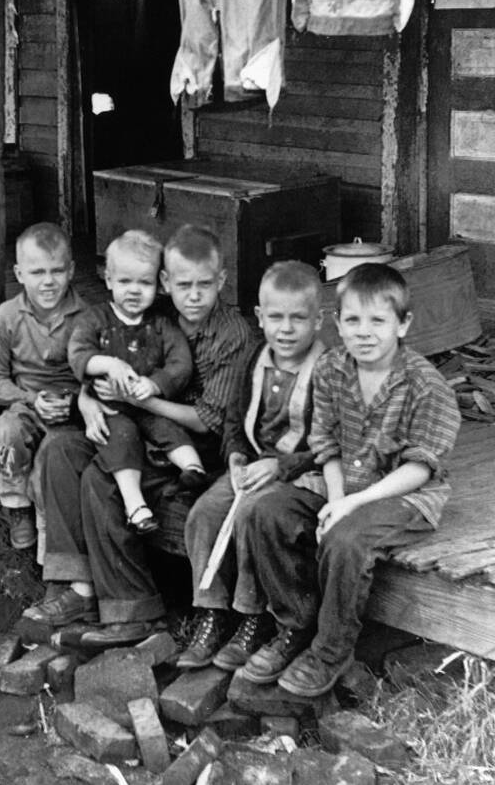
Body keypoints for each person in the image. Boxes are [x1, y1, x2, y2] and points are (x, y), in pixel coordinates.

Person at [239, 263, 460, 696]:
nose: (364, 332)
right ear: (337, 323)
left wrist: (352, 507)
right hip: (344, 483)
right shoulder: (332, 369)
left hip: (404, 494)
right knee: (266, 511)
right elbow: (327, 446)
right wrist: (336, 498)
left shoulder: (425, 386)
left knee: (345, 540)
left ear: (403, 324)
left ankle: (332, 650)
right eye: (353, 320)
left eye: (378, 320)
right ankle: (295, 626)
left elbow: (420, 467)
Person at [38, 224, 257, 647]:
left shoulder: (231, 334)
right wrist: (86, 399)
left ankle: (134, 611)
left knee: (100, 480)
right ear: (165, 283)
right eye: (182, 285)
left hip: (196, 449)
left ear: (222, 282)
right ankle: (77, 585)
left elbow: (207, 421)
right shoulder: (153, 313)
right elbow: (98, 357)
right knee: (62, 448)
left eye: (203, 285)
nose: (192, 296)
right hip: (136, 429)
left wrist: (138, 400)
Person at [175, 260, 327, 671]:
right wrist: (237, 456)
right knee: (205, 513)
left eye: (299, 318)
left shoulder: (330, 371)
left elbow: (335, 444)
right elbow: (233, 420)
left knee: (250, 515)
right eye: (276, 317)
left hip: (302, 476)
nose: (286, 328)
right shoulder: (254, 359)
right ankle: (213, 612)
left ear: (319, 320)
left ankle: (256, 617)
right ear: (260, 317)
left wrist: (282, 467)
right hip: (255, 466)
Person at [68, 230, 196, 536]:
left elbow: (181, 362)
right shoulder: (95, 319)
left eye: (144, 282)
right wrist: (109, 363)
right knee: (121, 437)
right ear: (108, 279)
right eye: (125, 282)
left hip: (146, 401)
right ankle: (135, 504)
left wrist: (155, 384)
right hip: (111, 407)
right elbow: (78, 355)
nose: (134, 291)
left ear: (158, 283)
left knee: (167, 427)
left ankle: (193, 470)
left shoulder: (162, 324)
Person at [0, 222, 88, 551]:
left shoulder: (86, 317)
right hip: (25, 406)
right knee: (3, 435)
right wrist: (29, 399)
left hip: (70, 413)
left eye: (57, 271)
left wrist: (72, 404)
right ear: (18, 273)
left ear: (71, 270)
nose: (47, 281)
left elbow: (95, 379)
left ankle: (49, 547)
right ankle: (16, 506)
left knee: (50, 463)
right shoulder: (7, 316)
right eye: (37, 272)